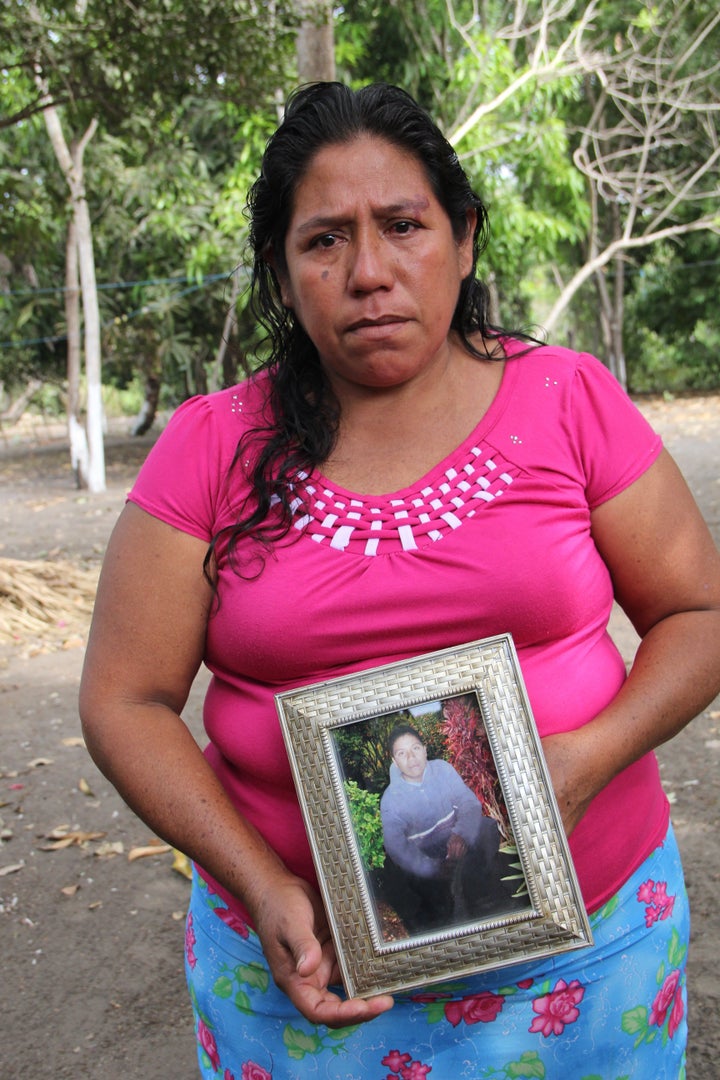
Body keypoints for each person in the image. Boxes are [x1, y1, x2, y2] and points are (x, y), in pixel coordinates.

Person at [79, 80, 720, 1079]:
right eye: (324, 240)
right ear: (284, 276)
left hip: (587, 956)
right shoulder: (210, 447)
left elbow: (698, 610)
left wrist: (591, 756)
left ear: (464, 239)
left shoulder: (568, 400)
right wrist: (258, 883)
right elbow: (126, 700)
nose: (370, 271)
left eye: (403, 225)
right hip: (307, 972)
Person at [380, 725, 510, 932]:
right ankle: (443, 914)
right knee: (410, 884)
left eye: (415, 749)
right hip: (427, 853)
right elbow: (396, 847)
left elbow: (469, 803)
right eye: (402, 753)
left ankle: (480, 896)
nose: (411, 758)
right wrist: (431, 868)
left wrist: (461, 835)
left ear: (424, 750)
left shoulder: (442, 769)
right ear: (395, 762)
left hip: (456, 840)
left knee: (485, 828)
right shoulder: (390, 800)